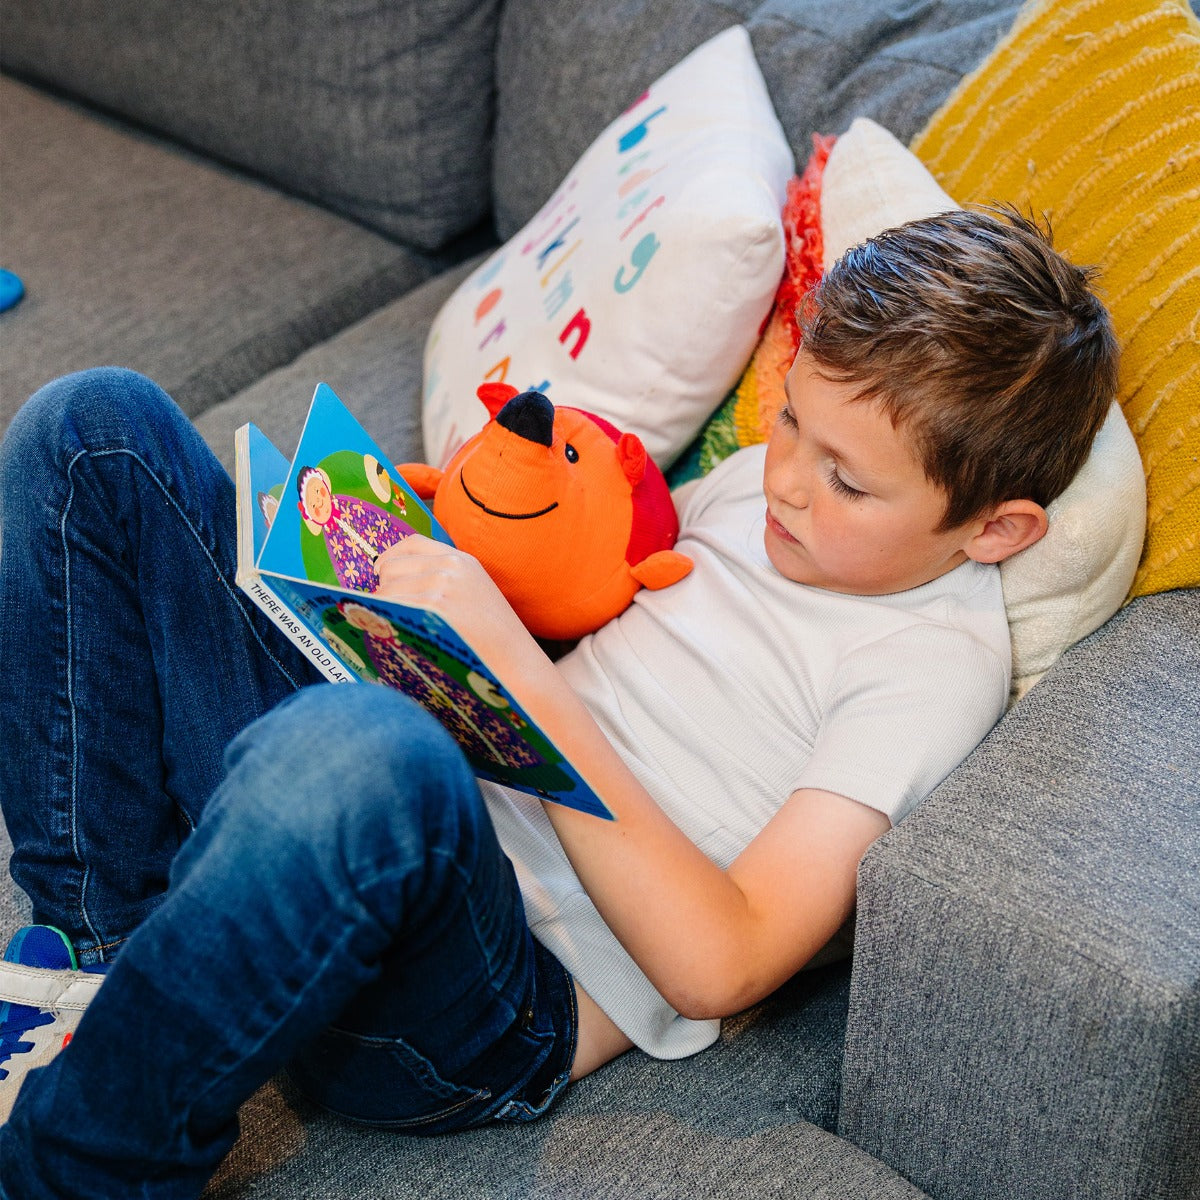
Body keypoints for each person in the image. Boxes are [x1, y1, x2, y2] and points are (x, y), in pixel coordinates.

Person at [0, 207, 1118, 1198]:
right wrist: (416, 583)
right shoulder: (772, 499)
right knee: (95, 428)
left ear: (998, 528)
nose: (784, 479)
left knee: (360, 753)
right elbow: (616, 605)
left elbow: (725, 964)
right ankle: (97, 955)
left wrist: (517, 684)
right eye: (789, 425)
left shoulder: (928, 667)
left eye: (848, 480)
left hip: (490, 1002)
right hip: (423, 780)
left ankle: (86, 1165)